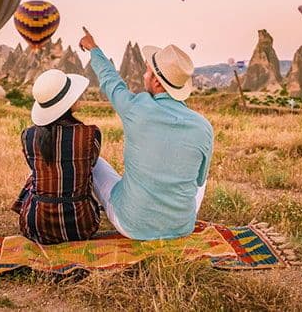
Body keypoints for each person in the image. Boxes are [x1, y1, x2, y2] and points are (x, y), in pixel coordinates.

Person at [79, 28, 214, 240]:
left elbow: (111, 81)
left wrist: (93, 48)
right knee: (201, 177)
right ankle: (172, 217)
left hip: (132, 226)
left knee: (95, 163)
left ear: (157, 82)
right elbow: (198, 180)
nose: (144, 74)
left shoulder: (137, 108)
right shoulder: (204, 126)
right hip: (181, 227)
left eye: (147, 70)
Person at [11, 69, 102, 244]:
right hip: (81, 226)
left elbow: (33, 167)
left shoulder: (27, 136)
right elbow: (91, 166)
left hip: (36, 226)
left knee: (36, 176)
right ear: (68, 102)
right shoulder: (91, 134)